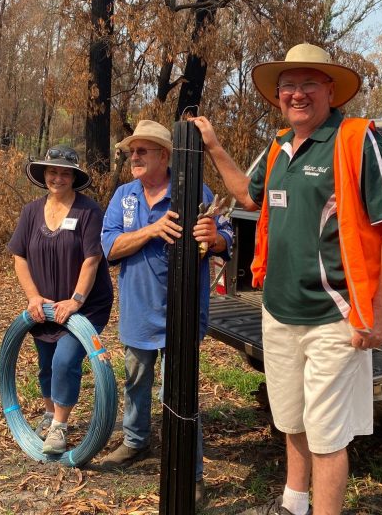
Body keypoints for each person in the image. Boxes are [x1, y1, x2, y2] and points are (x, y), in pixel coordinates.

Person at [190, 43, 382, 515]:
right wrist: (213, 146)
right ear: (277, 96)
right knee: (290, 417)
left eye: (308, 83)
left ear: (330, 91)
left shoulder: (355, 140)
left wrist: (379, 313)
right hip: (278, 311)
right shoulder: (277, 147)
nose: (297, 94)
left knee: (327, 434)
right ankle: (293, 503)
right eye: (288, 86)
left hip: (333, 317)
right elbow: (248, 198)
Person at [99, 119, 233, 504]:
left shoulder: (193, 189)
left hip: (183, 313)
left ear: (165, 155)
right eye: (132, 152)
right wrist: (152, 230)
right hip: (138, 311)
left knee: (181, 392)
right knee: (136, 381)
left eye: (143, 151)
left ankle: (191, 475)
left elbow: (226, 236)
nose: (134, 157)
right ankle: (136, 441)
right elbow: (109, 248)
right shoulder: (124, 196)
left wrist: (216, 237)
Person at [8, 145, 113, 455]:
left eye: (64, 172)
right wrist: (33, 297)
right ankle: (50, 413)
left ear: (73, 177)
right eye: (52, 171)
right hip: (44, 306)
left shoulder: (89, 211)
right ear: (44, 175)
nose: (57, 177)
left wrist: (76, 300)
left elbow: (92, 259)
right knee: (45, 364)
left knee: (64, 361)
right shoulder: (30, 212)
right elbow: (19, 258)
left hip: (85, 306)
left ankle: (60, 427)